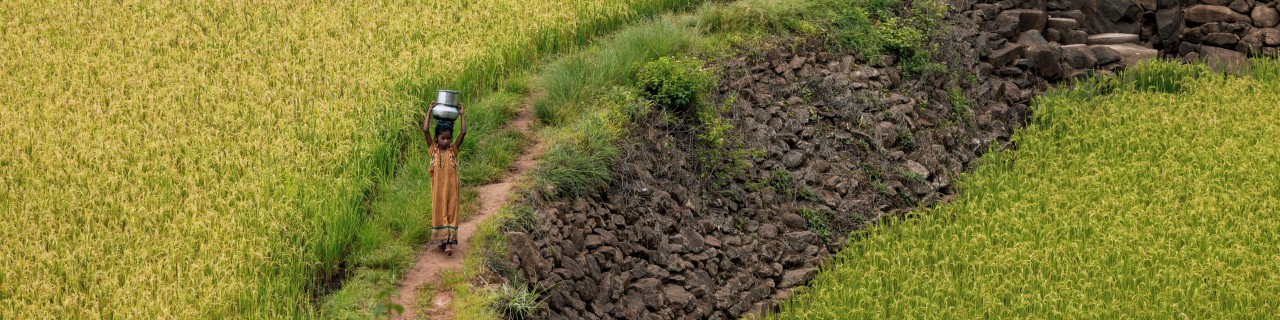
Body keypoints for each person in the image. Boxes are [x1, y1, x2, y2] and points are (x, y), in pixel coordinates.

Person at [424, 102, 466, 255]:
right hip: (437, 191)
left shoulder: (453, 151)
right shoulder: (433, 150)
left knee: (451, 211)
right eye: (443, 138)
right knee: (439, 211)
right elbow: (425, 130)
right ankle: (443, 241)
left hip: (451, 190)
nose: (446, 141)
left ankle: (449, 243)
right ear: (436, 138)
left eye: (448, 138)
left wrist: (461, 114)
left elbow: (463, 133)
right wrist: (429, 111)